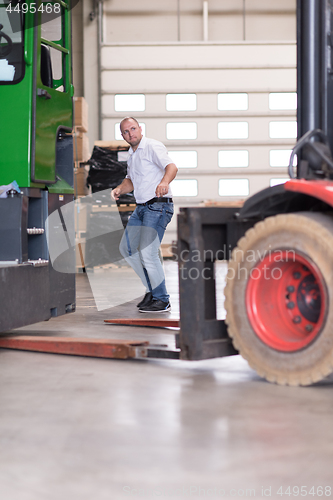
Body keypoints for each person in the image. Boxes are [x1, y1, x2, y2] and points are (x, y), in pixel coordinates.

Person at [111, 117, 178, 313]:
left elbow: (172, 167)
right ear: (122, 135)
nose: (130, 133)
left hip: (158, 206)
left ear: (140, 129)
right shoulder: (132, 155)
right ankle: (152, 290)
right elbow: (130, 180)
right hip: (141, 208)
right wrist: (119, 189)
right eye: (126, 131)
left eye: (133, 129)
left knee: (148, 253)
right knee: (127, 248)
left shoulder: (152, 146)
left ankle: (162, 298)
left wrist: (164, 182)